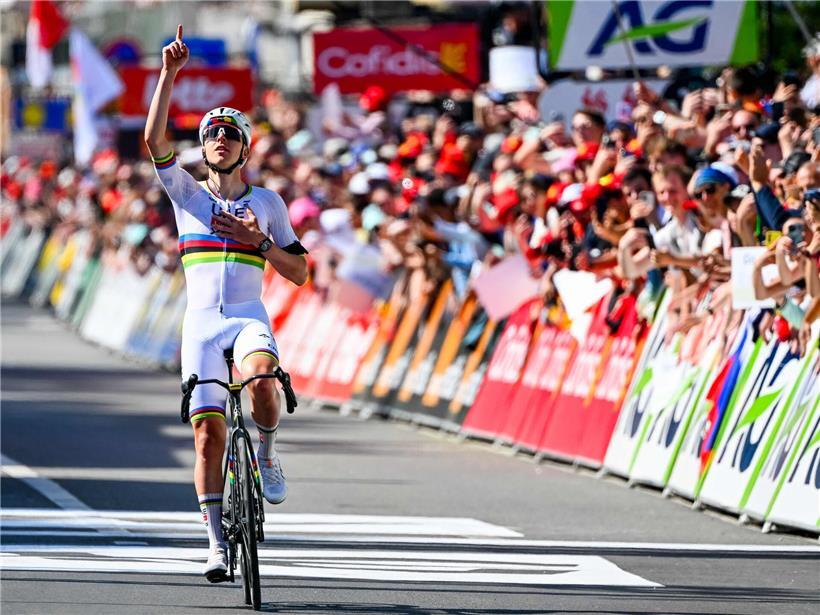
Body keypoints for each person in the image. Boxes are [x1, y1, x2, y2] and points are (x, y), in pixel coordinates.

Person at [143, 26, 308, 582]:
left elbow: (300, 271)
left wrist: (257, 241)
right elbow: (153, 143)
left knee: (263, 383)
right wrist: (169, 74)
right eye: (212, 134)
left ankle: (265, 451)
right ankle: (215, 543)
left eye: (229, 135)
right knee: (207, 434)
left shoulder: (267, 202)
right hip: (199, 328)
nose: (219, 141)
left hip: (246, 317)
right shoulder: (187, 195)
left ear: (244, 149)